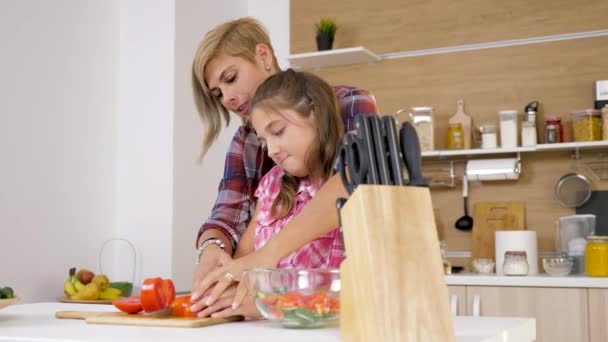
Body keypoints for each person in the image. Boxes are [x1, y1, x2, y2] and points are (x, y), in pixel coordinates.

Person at [190, 17, 378, 317]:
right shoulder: (246, 142)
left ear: (263, 56)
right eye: (217, 93)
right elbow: (228, 214)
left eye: (230, 78)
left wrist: (264, 261)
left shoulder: (349, 103)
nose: (227, 98)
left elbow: (353, 182)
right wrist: (214, 253)